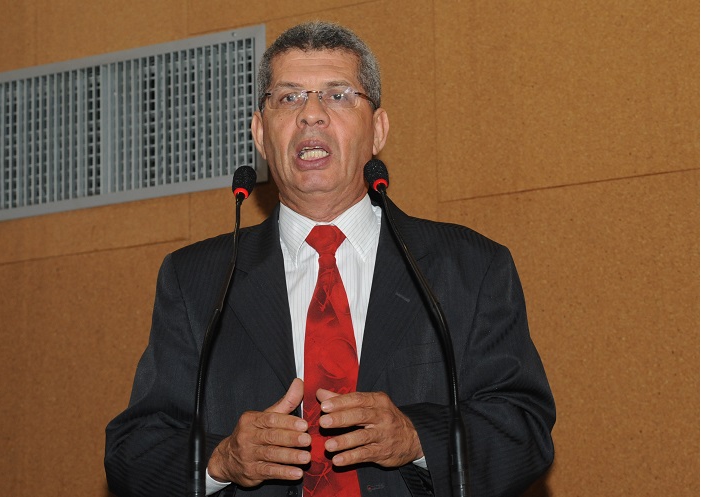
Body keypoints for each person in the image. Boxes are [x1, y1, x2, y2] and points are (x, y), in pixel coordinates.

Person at [104, 21, 555, 497]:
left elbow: (523, 429)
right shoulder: (197, 280)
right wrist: (222, 459)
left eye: (338, 96)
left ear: (378, 130)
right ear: (260, 133)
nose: (311, 115)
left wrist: (416, 437)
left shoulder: (469, 267)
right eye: (288, 98)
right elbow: (134, 453)